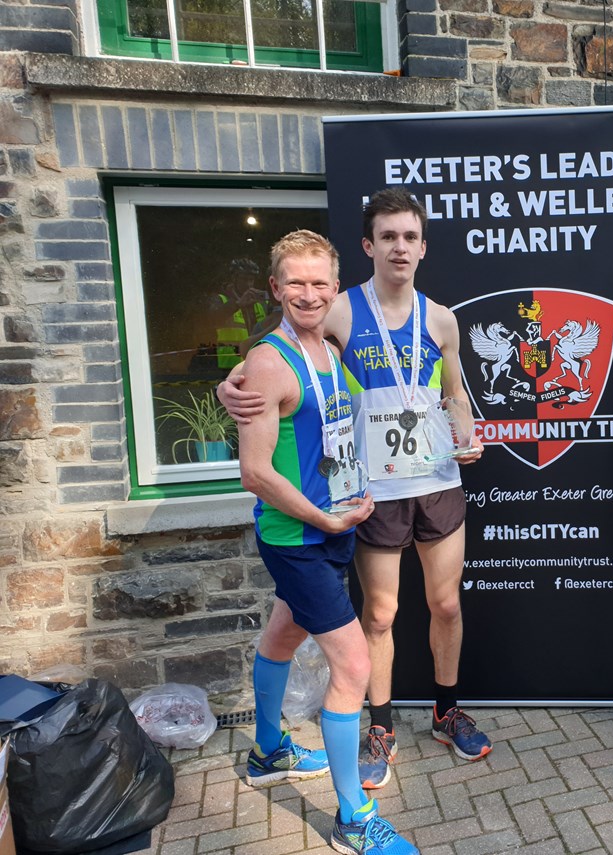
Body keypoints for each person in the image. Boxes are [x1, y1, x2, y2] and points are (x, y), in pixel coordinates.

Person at [220, 188, 489, 792]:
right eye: (387, 236)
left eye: (410, 236)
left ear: (423, 246)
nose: (399, 246)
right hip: (373, 488)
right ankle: (382, 725)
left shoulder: (441, 318)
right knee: (382, 612)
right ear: (369, 246)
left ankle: (447, 712)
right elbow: (269, 360)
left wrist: (467, 436)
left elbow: (454, 395)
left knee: (446, 604)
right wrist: (225, 387)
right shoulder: (336, 307)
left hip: (438, 481)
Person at [238, 230, 416, 855]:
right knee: (354, 665)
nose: (309, 294)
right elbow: (255, 472)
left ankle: (267, 752)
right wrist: (323, 516)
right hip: (299, 536)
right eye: (296, 282)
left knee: (284, 635)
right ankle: (353, 817)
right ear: (277, 288)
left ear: (334, 288)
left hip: (333, 526)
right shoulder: (268, 360)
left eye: (320, 282)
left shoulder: (323, 346)